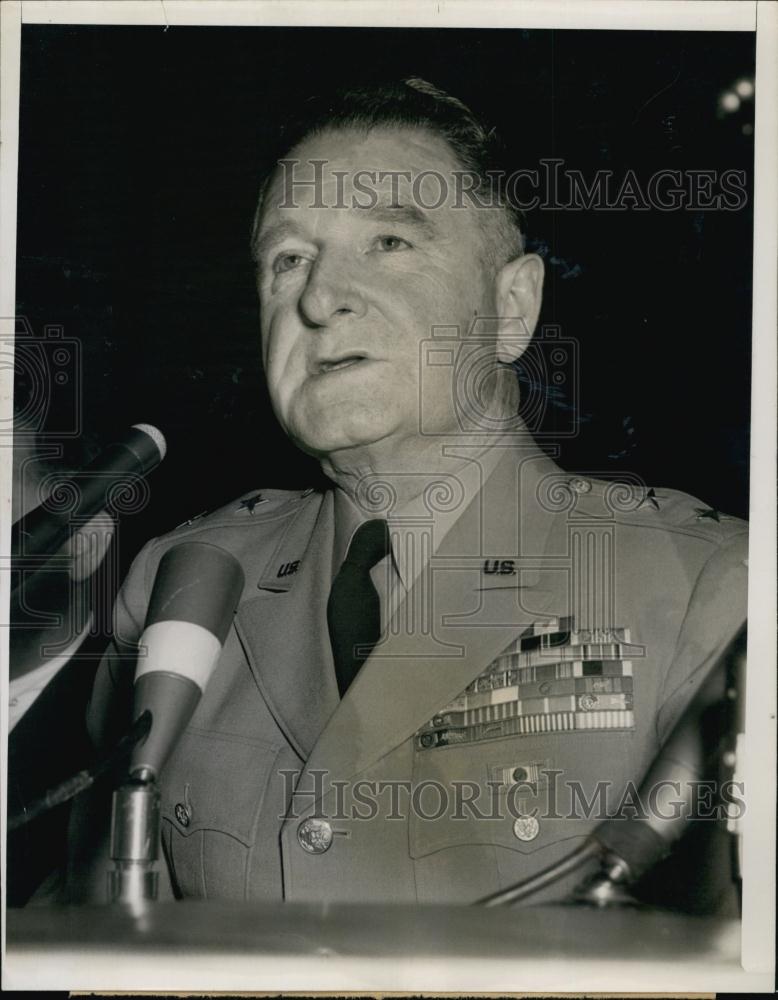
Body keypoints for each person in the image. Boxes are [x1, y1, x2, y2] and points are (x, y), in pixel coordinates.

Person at [80, 78, 748, 907]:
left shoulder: (710, 593)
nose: (319, 300)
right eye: (288, 259)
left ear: (512, 308)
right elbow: (84, 922)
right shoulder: (183, 581)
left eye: (390, 242)